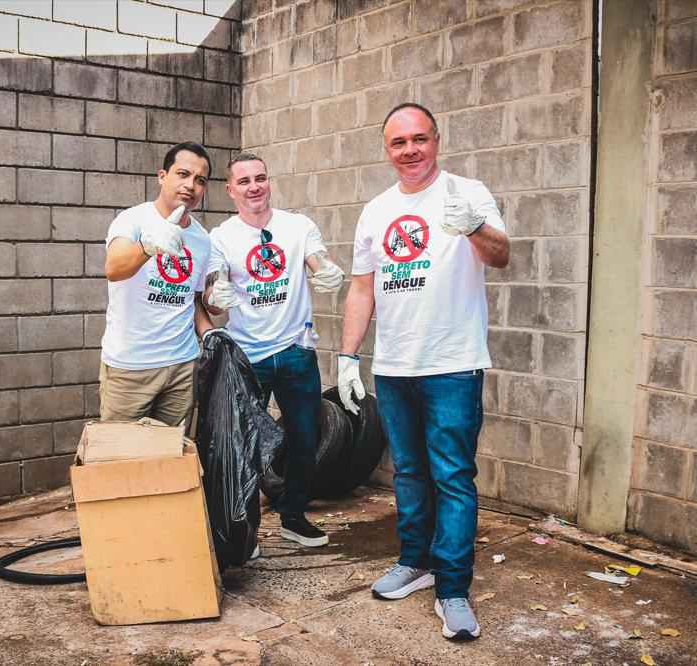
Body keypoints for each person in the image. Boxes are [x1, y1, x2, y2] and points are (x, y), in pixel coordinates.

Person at [337, 103, 510, 640]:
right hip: (394, 367)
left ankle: (453, 588)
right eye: (399, 142)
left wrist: (474, 227)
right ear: (386, 149)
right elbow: (361, 288)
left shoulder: (467, 192)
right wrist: (348, 356)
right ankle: (416, 562)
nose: (410, 150)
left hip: (453, 364)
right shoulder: (376, 210)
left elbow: (501, 254)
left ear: (436, 140)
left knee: (452, 477)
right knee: (409, 473)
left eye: (419, 139)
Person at [202, 153, 345, 548]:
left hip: (296, 350)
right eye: (244, 181)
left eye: (260, 178)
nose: (254, 187)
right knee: (244, 444)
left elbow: (318, 261)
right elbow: (213, 291)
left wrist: (327, 272)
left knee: (304, 438)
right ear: (230, 190)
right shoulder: (221, 237)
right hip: (249, 356)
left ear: (269, 182)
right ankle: (244, 531)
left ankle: (293, 516)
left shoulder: (297, 227)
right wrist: (216, 297)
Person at [99, 142, 216, 427]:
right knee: (121, 452)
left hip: (182, 366)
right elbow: (113, 269)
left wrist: (211, 330)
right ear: (162, 176)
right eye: (183, 174)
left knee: (173, 451)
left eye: (200, 180)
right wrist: (147, 246)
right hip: (131, 367)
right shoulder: (133, 220)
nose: (190, 185)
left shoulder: (202, 239)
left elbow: (191, 299)